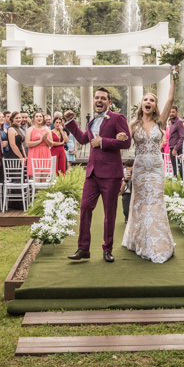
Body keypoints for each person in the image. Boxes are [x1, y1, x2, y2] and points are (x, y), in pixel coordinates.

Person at [64, 88, 132, 262]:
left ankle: (107, 249)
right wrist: (70, 121)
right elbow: (83, 139)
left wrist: (103, 142)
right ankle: (83, 249)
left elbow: (126, 143)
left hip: (110, 174)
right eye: (96, 98)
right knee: (85, 208)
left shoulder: (118, 118)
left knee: (109, 214)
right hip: (92, 174)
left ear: (109, 102)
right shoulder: (92, 121)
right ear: (94, 100)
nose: (99, 100)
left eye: (103, 98)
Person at [122, 76, 179, 264]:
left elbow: (170, 99)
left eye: (152, 100)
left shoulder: (160, 122)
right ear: (141, 104)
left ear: (155, 106)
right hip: (139, 169)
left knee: (155, 204)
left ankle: (157, 243)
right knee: (140, 204)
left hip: (155, 168)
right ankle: (138, 239)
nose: (148, 102)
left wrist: (174, 77)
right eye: (145, 99)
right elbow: (122, 143)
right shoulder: (133, 124)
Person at [26, 110, 54, 180]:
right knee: (37, 179)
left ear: (43, 118)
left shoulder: (47, 130)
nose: (39, 118)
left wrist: (46, 139)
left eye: (40, 116)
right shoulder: (30, 129)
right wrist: (40, 140)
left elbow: (51, 144)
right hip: (34, 153)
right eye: (37, 116)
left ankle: (43, 191)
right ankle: (36, 191)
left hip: (45, 153)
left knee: (44, 178)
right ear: (34, 119)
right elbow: (27, 143)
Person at [166, 104, 184, 176]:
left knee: (178, 171)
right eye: (170, 112)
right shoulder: (172, 122)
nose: (171, 114)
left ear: (177, 112)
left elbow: (182, 136)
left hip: (177, 150)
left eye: (173, 112)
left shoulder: (179, 122)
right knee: (174, 169)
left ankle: (178, 185)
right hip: (172, 148)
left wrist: (175, 149)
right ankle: (175, 185)